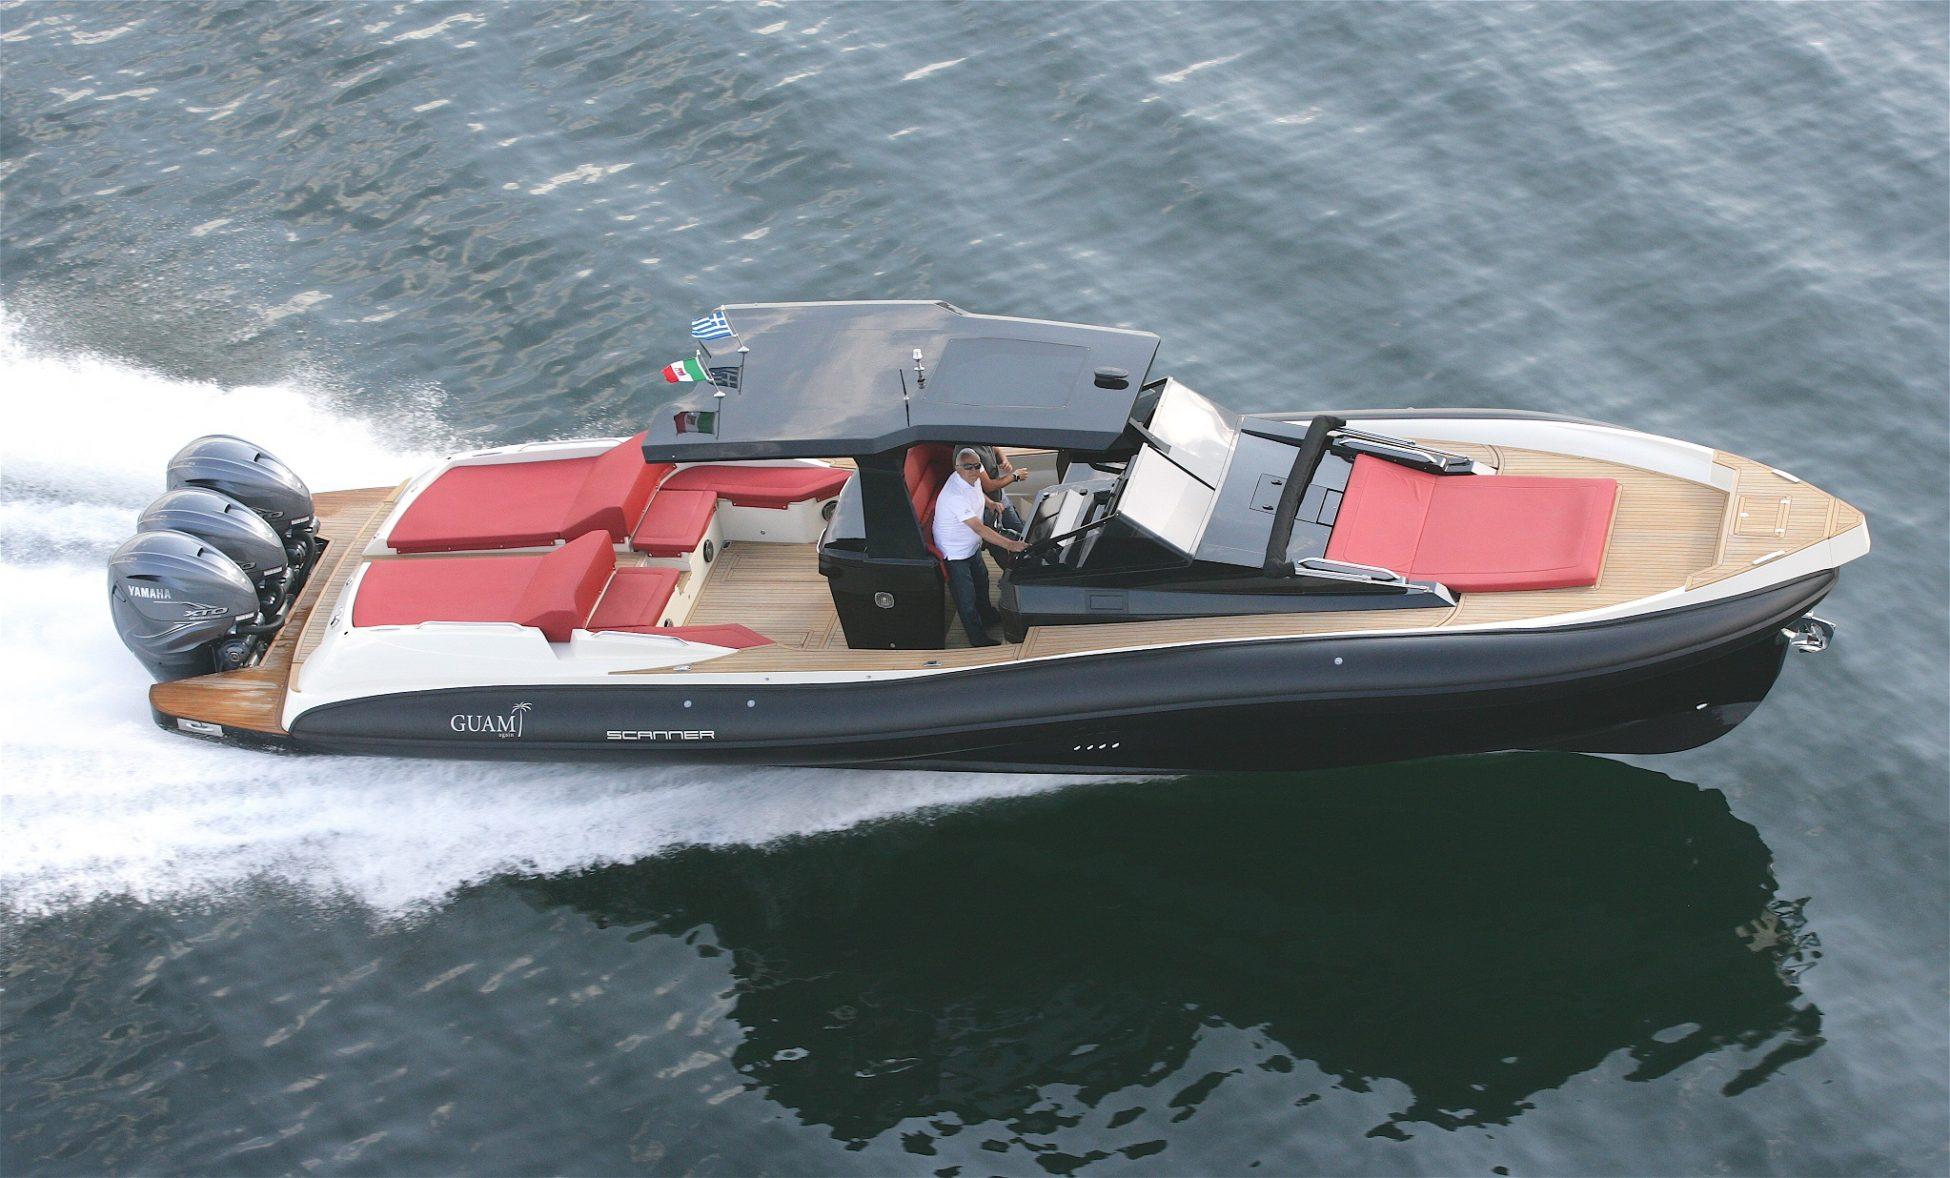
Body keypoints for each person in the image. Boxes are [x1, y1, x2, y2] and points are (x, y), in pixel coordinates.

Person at [933, 447, 1028, 646]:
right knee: (966, 598)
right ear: (957, 468)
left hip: (971, 545)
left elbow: (978, 492)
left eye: (977, 466)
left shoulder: (972, 477)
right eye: (969, 467)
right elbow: (979, 528)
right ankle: (977, 638)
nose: (975, 471)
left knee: (982, 580)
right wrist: (1010, 544)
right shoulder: (954, 495)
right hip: (956, 552)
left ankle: (989, 617)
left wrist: (990, 503)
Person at [958, 443, 1028, 537]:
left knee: (1021, 531)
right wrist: (1015, 476)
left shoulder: (983, 441)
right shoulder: (968, 454)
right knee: (998, 539)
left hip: (999, 498)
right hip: (986, 507)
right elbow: (988, 486)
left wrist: (1004, 461)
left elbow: (996, 450)